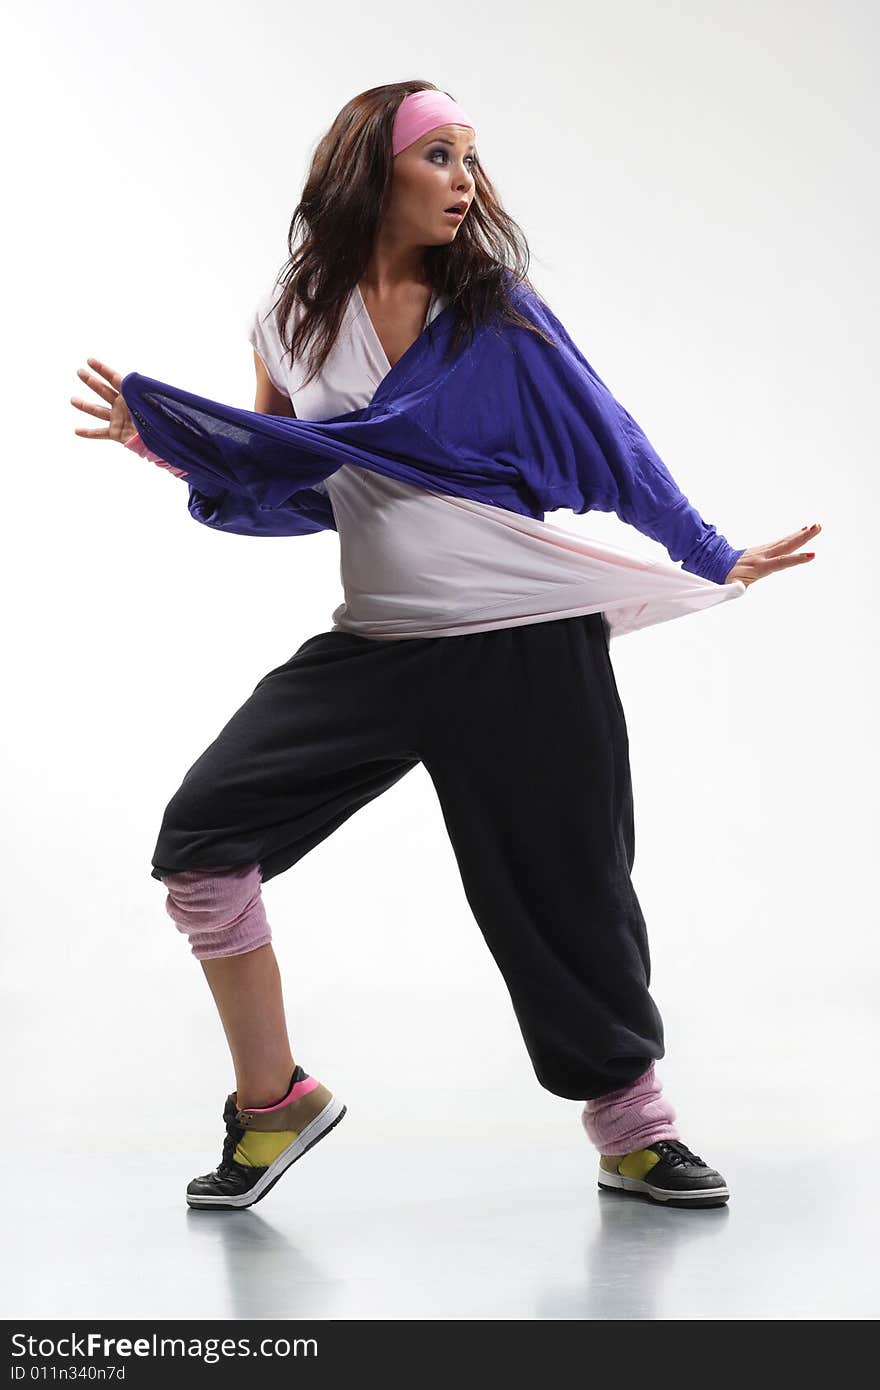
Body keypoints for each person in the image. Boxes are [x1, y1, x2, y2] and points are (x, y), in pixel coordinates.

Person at [71, 82, 820, 1213]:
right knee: (204, 838)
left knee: (572, 896)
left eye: (473, 157)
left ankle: (635, 1132)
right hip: (381, 646)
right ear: (372, 170)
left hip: (525, 637)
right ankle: (271, 1102)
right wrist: (160, 442)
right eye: (441, 156)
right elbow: (280, 473)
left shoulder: (497, 316)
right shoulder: (290, 317)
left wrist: (714, 552)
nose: (466, 180)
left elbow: (609, 442)